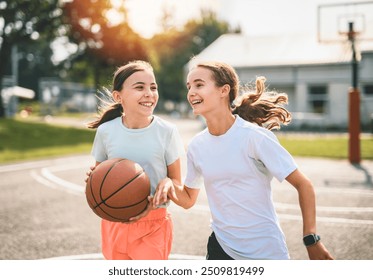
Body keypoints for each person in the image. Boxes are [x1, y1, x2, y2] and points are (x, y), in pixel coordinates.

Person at [153, 61, 334, 260]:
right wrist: (168, 183)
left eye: (199, 84)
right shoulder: (197, 145)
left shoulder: (254, 137)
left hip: (265, 250)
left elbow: (304, 185)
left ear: (224, 90)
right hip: (221, 248)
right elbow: (188, 199)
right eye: (189, 87)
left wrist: (312, 239)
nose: (191, 92)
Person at [86, 60, 184, 260]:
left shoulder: (167, 131)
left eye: (153, 87)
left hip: (154, 224)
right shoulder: (106, 131)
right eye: (140, 87)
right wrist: (93, 180)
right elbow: (99, 178)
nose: (149, 93)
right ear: (118, 96)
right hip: (114, 220)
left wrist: (166, 184)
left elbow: (176, 181)